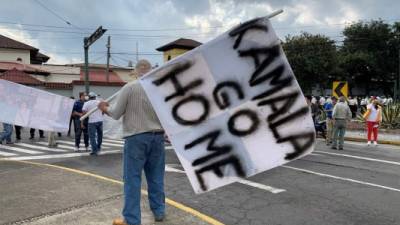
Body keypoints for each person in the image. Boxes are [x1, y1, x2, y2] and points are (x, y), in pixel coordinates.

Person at [98, 59, 165, 225]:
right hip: (158, 137)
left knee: (132, 179)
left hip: (136, 137)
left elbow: (115, 113)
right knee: (156, 176)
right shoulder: (159, 89)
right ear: (150, 71)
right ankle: (159, 211)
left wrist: (104, 107)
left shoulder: (129, 87)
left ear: (135, 72)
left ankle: (132, 219)